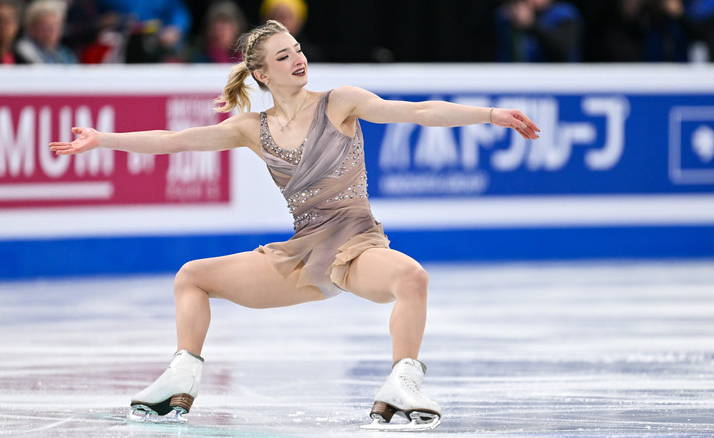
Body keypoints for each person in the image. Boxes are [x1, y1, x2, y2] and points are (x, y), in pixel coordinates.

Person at [49, 20, 539, 431]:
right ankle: (182, 378)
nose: (298, 59)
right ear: (262, 73)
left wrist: (490, 115)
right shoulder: (251, 128)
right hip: (304, 254)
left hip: (355, 245)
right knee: (191, 277)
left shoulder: (339, 101)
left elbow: (415, 111)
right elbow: (174, 141)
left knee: (412, 277)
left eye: (298, 50)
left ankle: (402, 384)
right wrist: (102, 140)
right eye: (283, 57)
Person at [495, 0, 583, 62]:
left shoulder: (564, 14)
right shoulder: (506, 17)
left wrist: (531, 25)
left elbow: (563, 49)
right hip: (514, 79)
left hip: (557, 80)